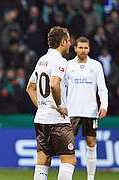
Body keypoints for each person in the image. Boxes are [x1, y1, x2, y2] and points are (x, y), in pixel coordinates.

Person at [26, 26, 76, 180]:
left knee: (43, 160)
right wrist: (60, 106)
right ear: (62, 42)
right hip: (57, 121)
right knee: (69, 161)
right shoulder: (60, 61)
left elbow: (30, 88)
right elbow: (54, 83)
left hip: (41, 119)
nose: (70, 44)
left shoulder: (42, 60)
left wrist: (42, 106)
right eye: (68, 41)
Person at [65, 37, 108, 180]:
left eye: (86, 48)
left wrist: (104, 105)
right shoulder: (68, 66)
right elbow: (61, 87)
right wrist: (61, 106)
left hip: (91, 111)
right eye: (80, 47)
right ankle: (67, 176)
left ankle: (90, 177)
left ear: (89, 49)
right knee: (68, 145)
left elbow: (102, 88)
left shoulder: (96, 65)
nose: (83, 50)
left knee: (91, 143)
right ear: (75, 48)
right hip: (72, 111)